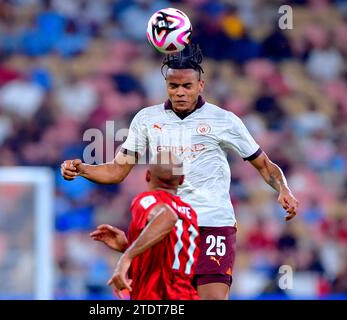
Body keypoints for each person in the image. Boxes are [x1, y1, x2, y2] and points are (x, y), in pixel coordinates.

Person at [61, 44, 299, 300]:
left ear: (200, 86)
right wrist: (84, 169)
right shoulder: (146, 119)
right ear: (167, 87)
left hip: (212, 223)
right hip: (169, 226)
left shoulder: (224, 120)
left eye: (187, 86)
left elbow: (264, 165)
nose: (180, 92)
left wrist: (283, 188)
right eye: (174, 87)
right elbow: (118, 171)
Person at [90, 152, 199, 300]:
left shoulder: (147, 199)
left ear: (148, 175)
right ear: (181, 180)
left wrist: (126, 258)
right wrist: (128, 247)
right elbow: (169, 257)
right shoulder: (190, 214)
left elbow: (168, 217)